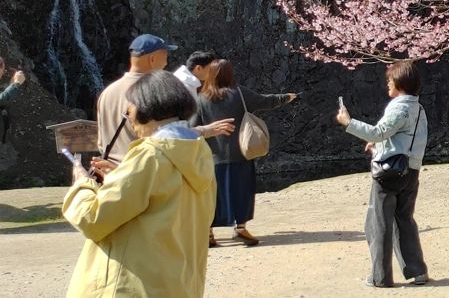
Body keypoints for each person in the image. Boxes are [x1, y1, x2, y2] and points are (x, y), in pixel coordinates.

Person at [62, 70, 215, 298]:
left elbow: (92, 219)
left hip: (133, 286)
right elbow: (166, 200)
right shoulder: (198, 152)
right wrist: (119, 175)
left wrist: (82, 183)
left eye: (130, 107)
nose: (129, 117)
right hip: (176, 284)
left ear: (148, 107)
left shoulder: (149, 156)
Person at [337, 59, 430, 288]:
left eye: (390, 79)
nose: (387, 83)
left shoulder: (399, 107)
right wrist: (378, 146)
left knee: (378, 223)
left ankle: (381, 277)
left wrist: (348, 122)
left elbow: (378, 132)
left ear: (400, 82)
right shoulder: (418, 108)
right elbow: (404, 140)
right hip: (411, 172)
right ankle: (417, 272)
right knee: (404, 220)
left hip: (388, 175)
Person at [191, 57, 298, 247]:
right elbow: (265, 101)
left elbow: (192, 127)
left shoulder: (201, 99)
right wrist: (286, 97)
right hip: (240, 153)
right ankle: (240, 228)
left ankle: (208, 232)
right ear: (229, 73)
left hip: (212, 157)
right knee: (242, 191)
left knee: (213, 195)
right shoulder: (239, 93)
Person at [96, 35, 233, 162]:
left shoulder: (107, 93)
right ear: (152, 59)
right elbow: (166, 138)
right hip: (144, 174)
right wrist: (205, 131)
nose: (167, 61)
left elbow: (102, 143)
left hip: (111, 175)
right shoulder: (155, 91)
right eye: (165, 55)